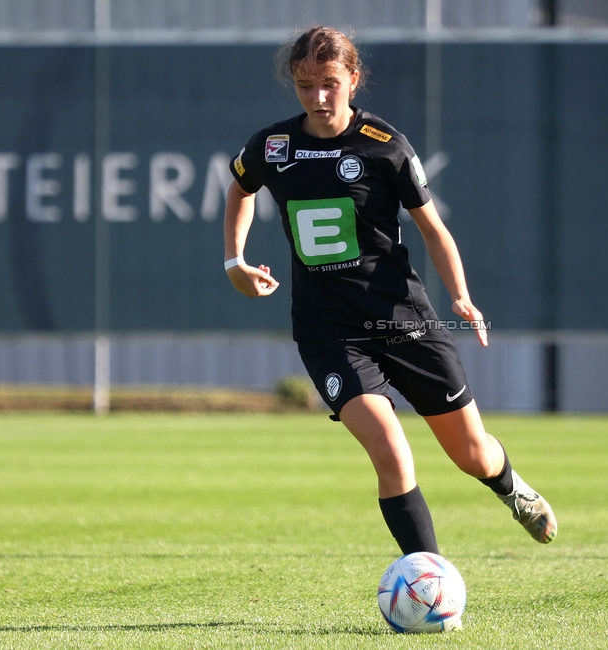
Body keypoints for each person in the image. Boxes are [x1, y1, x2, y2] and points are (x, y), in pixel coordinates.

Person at [223, 26, 556, 555]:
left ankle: (510, 486)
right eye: (305, 85)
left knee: (473, 454)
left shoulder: (385, 146)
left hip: (404, 321)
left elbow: (433, 230)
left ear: (353, 79)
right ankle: (429, 580)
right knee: (391, 450)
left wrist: (461, 296)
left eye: (330, 83)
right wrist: (234, 261)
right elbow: (241, 187)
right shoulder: (273, 145)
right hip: (329, 332)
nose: (318, 97)